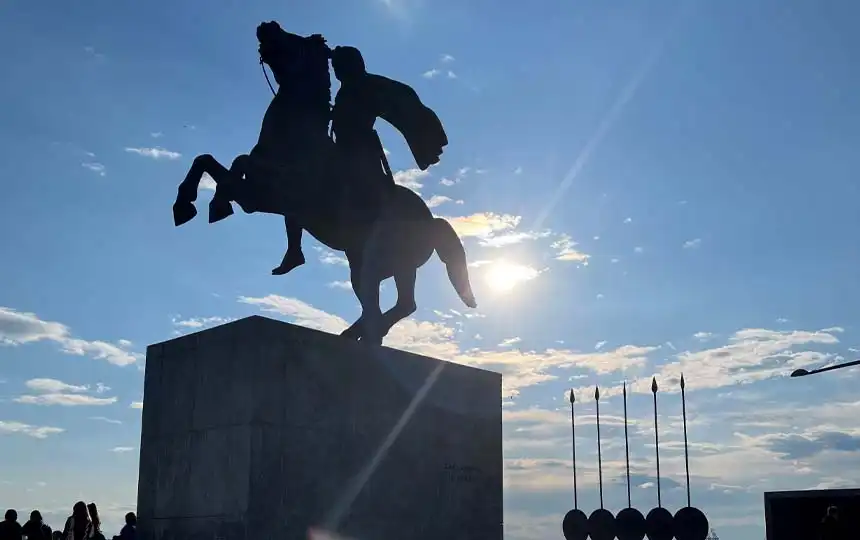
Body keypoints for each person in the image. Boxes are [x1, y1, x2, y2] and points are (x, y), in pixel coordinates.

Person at [271, 44, 448, 276]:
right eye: (334, 67)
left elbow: (373, 108)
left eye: (337, 67)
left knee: (302, 190)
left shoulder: (363, 87)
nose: (335, 72)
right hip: (341, 152)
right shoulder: (348, 89)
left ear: (348, 66)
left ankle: (299, 248)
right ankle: (295, 250)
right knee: (297, 185)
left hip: (358, 156)